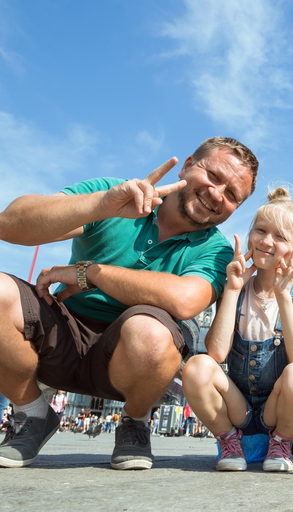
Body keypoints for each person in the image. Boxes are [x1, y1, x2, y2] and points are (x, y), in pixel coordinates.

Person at [0, 136, 259, 470]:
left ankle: (135, 420)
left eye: (232, 195)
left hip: (135, 356)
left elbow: (184, 301)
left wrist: (91, 272)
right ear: (189, 163)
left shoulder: (217, 249)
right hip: (61, 330)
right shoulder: (114, 193)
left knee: (150, 331)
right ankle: (31, 411)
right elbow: (9, 225)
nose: (217, 193)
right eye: (214, 176)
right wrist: (100, 205)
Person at [182, 188, 293, 472]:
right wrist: (233, 290)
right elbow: (216, 352)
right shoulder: (236, 287)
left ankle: (282, 442)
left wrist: (283, 294)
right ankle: (229, 441)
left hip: (278, 410)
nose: (266, 241)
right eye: (260, 230)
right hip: (238, 408)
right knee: (197, 366)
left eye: (280, 237)